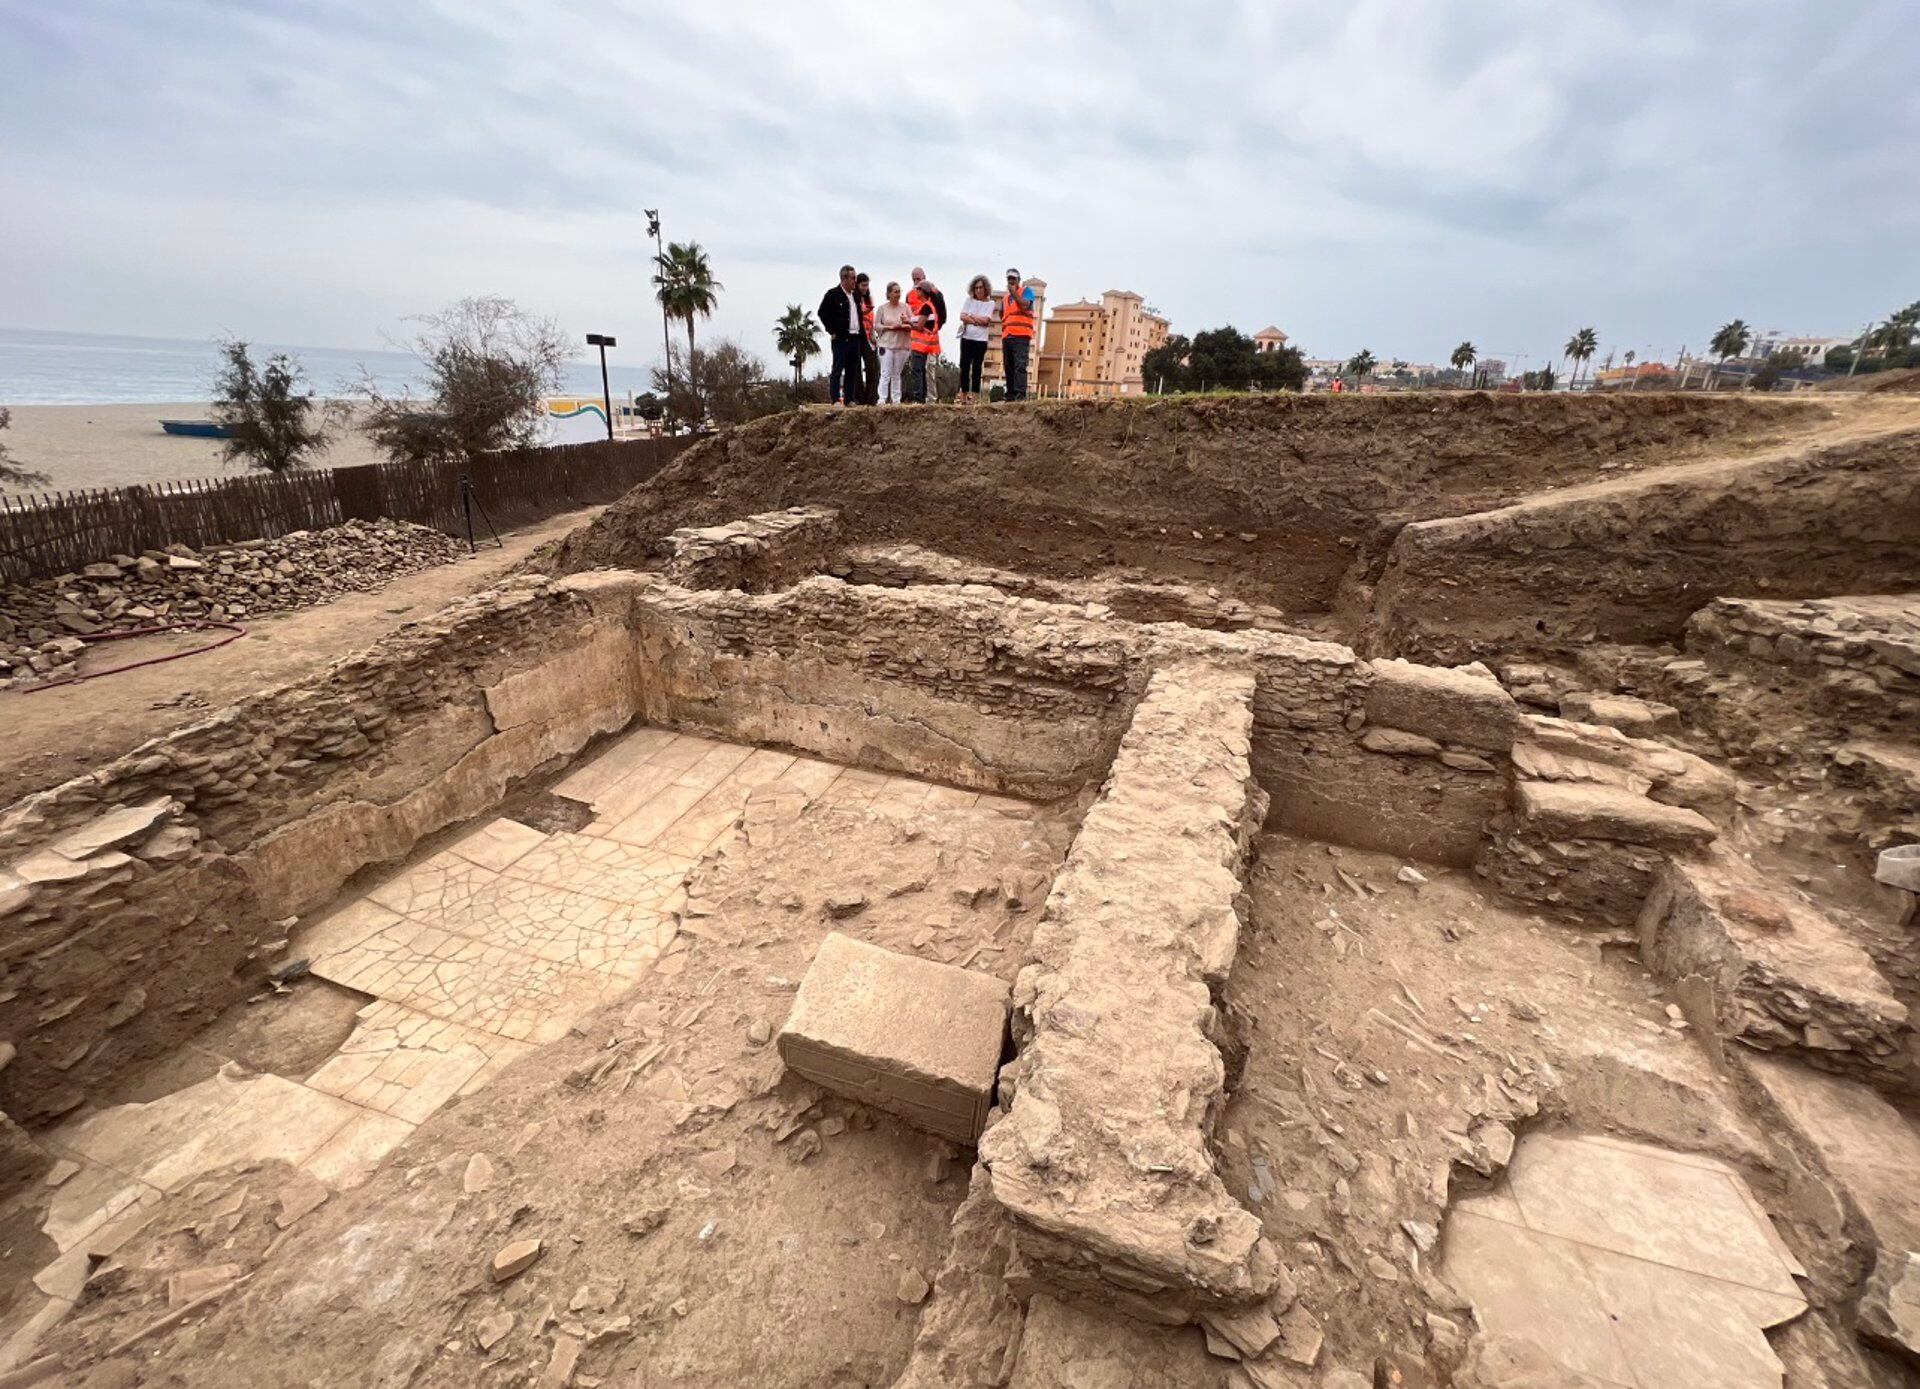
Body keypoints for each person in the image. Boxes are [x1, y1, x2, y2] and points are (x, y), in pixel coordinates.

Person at [817, 264, 868, 406]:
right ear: (844, 278)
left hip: (855, 337)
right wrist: (832, 330)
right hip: (841, 339)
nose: (855, 281)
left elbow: (858, 315)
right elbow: (822, 312)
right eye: (853, 278)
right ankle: (835, 399)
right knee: (838, 369)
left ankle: (849, 398)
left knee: (852, 370)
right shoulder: (833, 294)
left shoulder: (856, 296)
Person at [906, 267, 945, 403]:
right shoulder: (921, 301)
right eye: (914, 280)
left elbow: (921, 324)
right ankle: (925, 398)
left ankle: (925, 398)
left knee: (924, 371)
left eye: (918, 281)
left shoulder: (930, 302)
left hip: (926, 343)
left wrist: (908, 323)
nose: (916, 285)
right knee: (922, 371)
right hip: (922, 342)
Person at [873, 281, 913, 404]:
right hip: (886, 344)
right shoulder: (882, 308)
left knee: (897, 373)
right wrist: (889, 327)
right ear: (889, 294)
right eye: (895, 292)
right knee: (885, 372)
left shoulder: (905, 307)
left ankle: (896, 399)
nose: (898, 294)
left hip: (902, 344)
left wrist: (902, 325)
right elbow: (876, 326)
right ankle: (882, 398)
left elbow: (912, 323)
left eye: (899, 291)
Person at [957, 274, 995, 403]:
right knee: (964, 366)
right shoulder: (969, 301)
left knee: (977, 367)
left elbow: (986, 321)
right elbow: (962, 316)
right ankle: (963, 395)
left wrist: (972, 317)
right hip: (967, 337)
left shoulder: (990, 303)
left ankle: (975, 396)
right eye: (976, 287)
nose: (978, 290)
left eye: (981, 287)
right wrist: (977, 319)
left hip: (980, 340)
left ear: (986, 289)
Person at [1001, 268, 1036, 400]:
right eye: (1009, 279)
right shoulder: (1005, 299)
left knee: (1020, 366)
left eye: (1013, 279)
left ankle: (1020, 394)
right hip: (1007, 336)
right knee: (1008, 366)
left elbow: (1025, 305)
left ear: (1018, 280)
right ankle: (1010, 394)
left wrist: (1014, 293)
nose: (1011, 281)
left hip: (1021, 336)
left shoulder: (1026, 291)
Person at [855, 272, 881, 406]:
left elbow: (871, 316)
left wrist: (872, 332)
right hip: (855, 335)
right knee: (856, 368)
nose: (865, 288)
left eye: (867, 285)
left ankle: (872, 397)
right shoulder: (853, 298)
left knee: (872, 366)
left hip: (868, 335)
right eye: (863, 285)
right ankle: (858, 397)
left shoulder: (868, 299)